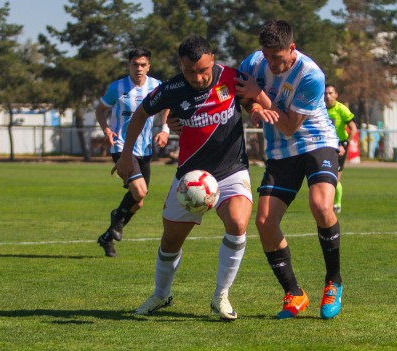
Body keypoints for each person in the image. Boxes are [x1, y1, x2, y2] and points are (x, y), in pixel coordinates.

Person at [115, 35, 253, 321]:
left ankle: (221, 296)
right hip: (190, 177)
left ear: (212, 60)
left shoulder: (232, 77)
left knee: (238, 223)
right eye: (191, 71)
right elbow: (140, 115)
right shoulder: (172, 89)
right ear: (181, 65)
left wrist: (258, 108)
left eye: (203, 70)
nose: (198, 77)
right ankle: (160, 293)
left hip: (231, 170)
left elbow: (251, 100)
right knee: (170, 241)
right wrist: (127, 155)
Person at [236, 19, 343, 320]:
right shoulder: (254, 63)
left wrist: (260, 95)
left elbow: (288, 126)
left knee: (321, 206)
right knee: (265, 222)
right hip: (281, 153)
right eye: (267, 56)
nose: (272, 63)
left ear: (292, 48)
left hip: (316, 142)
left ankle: (333, 282)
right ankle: (294, 294)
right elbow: (244, 98)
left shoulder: (311, 75)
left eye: (278, 58)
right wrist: (254, 106)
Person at [96, 48, 169, 257]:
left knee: (138, 201)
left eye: (143, 65)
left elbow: (167, 107)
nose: (139, 68)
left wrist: (165, 129)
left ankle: (107, 237)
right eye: (135, 64)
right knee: (140, 192)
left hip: (145, 148)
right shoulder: (117, 87)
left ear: (149, 66)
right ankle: (117, 217)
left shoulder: (157, 86)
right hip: (121, 147)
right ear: (129, 65)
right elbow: (100, 110)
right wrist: (106, 130)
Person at [324, 84, 358, 214]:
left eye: (330, 93)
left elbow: (353, 128)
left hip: (339, 146)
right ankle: (326, 203)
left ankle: (336, 204)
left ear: (336, 95)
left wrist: (345, 144)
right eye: (326, 93)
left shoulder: (341, 109)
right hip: (325, 145)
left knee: (336, 178)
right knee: (324, 176)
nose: (328, 96)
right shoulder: (320, 109)